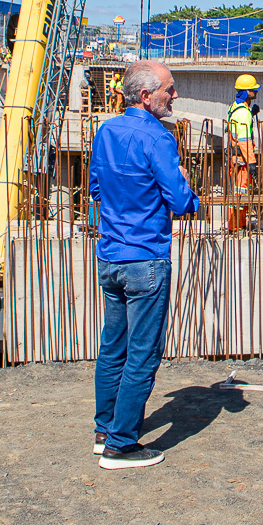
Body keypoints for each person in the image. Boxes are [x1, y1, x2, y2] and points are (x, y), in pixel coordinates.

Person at [88, 60, 200, 469]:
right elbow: (181, 202)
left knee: (112, 346)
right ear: (145, 95)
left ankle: (104, 430)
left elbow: (96, 188)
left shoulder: (106, 130)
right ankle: (121, 444)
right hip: (146, 259)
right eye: (169, 89)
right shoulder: (158, 138)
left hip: (111, 256)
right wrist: (188, 188)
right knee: (143, 353)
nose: (174, 95)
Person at [226, 74, 260, 231]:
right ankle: (236, 226)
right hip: (242, 158)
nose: (256, 92)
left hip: (236, 157)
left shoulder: (236, 107)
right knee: (241, 193)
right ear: (246, 92)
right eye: (253, 90)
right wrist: (252, 161)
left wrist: (251, 113)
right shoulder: (243, 113)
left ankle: (239, 224)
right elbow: (244, 140)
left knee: (240, 192)